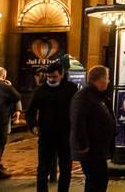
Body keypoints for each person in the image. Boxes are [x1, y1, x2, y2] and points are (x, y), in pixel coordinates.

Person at [26, 61, 78, 192]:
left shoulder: (71, 89)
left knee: (66, 168)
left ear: (61, 75)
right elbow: (30, 111)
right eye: (49, 77)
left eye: (54, 77)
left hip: (65, 134)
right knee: (43, 168)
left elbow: (77, 109)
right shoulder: (41, 90)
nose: (51, 79)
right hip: (46, 134)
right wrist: (33, 126)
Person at [70, 65, 115, 192]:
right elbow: (78, 121)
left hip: (98, 149)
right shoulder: (83, 96)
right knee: (96, 180)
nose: (108, 81)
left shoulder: (99, 96)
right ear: (98, 79)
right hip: (90, 150)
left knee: (100, 180)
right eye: (107, 78)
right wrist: (83, 145)